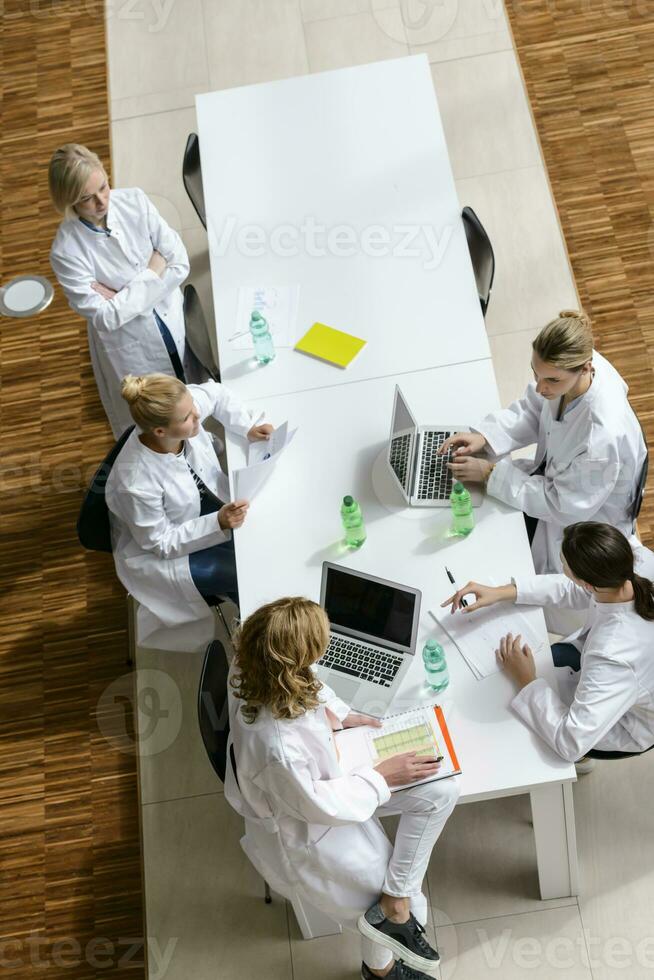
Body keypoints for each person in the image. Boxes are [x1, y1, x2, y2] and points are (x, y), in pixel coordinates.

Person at [226, 597, 460, 980]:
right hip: (310, 830)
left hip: (330, 776)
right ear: (290, 661)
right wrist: (382, 778)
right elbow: (320, 807)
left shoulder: (256, 660)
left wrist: (341, 713)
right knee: (401, 904)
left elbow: (310, 680)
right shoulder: (277, 748)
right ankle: (381, 966)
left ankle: (392, 903)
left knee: (441, 792)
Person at [440, 311, 647, 575]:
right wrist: (486, 436)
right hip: (558, 483)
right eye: (536, 374)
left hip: (582, 517)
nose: (540, 387)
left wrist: (490, 474)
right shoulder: (571, 368)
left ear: (585, 367)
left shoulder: (600, 437)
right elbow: (535, 408)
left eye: (551, 380)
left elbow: (561, 505)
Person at [442, 523, 654, 767]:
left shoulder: (612, 655)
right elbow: (572, 589)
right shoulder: (631, 566)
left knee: (511, 713)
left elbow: (570, 742)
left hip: (626, 725)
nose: (560, 564)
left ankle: (585, 763)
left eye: (563, 562)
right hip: (620, 677)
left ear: (586, 582)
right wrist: (502, 592)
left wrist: (526, 680)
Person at [49, 143, 205, 438]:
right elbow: (106, 319)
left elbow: (180, 263)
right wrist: (152, 271)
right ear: (69, 201)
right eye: (86, 198)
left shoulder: (135, 201)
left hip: (171, 319)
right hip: (133, 348)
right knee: (156, 420)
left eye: (104, 187)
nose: (101, 201)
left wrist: (123, 299)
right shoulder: (66, 252)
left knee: (190, 395)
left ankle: (201, 441)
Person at [105, 373, 273, 640]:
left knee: (262, 546)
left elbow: (216, 393)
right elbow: (160, 543)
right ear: (160, 431)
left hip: (200, 509)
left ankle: (263, 621)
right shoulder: (135, 481)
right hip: (164, 554)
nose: (197, 416)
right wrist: (217, 522)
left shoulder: (182, 408)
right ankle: (263, 636)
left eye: (193, 408)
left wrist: (247, 426)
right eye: (188, 418)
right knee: (246, 571)